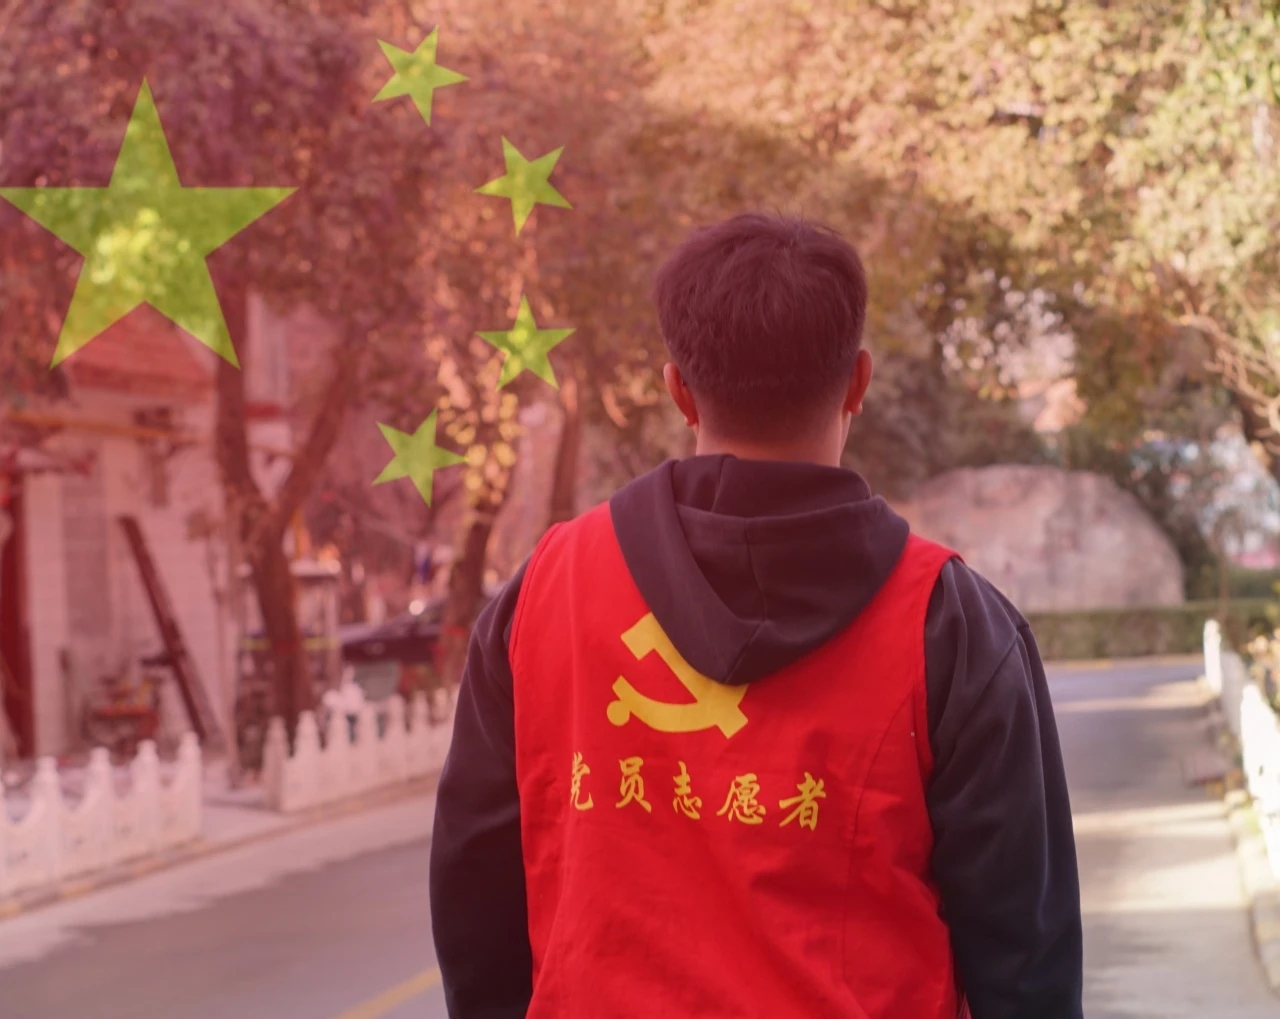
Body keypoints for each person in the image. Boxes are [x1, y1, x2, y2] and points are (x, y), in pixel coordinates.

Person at [429, 212, 1083, 1018]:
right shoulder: (951, 625)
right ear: (858, 383)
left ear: (679, 390)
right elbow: (1026, 960)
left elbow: (474, 903)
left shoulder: (542, 597)